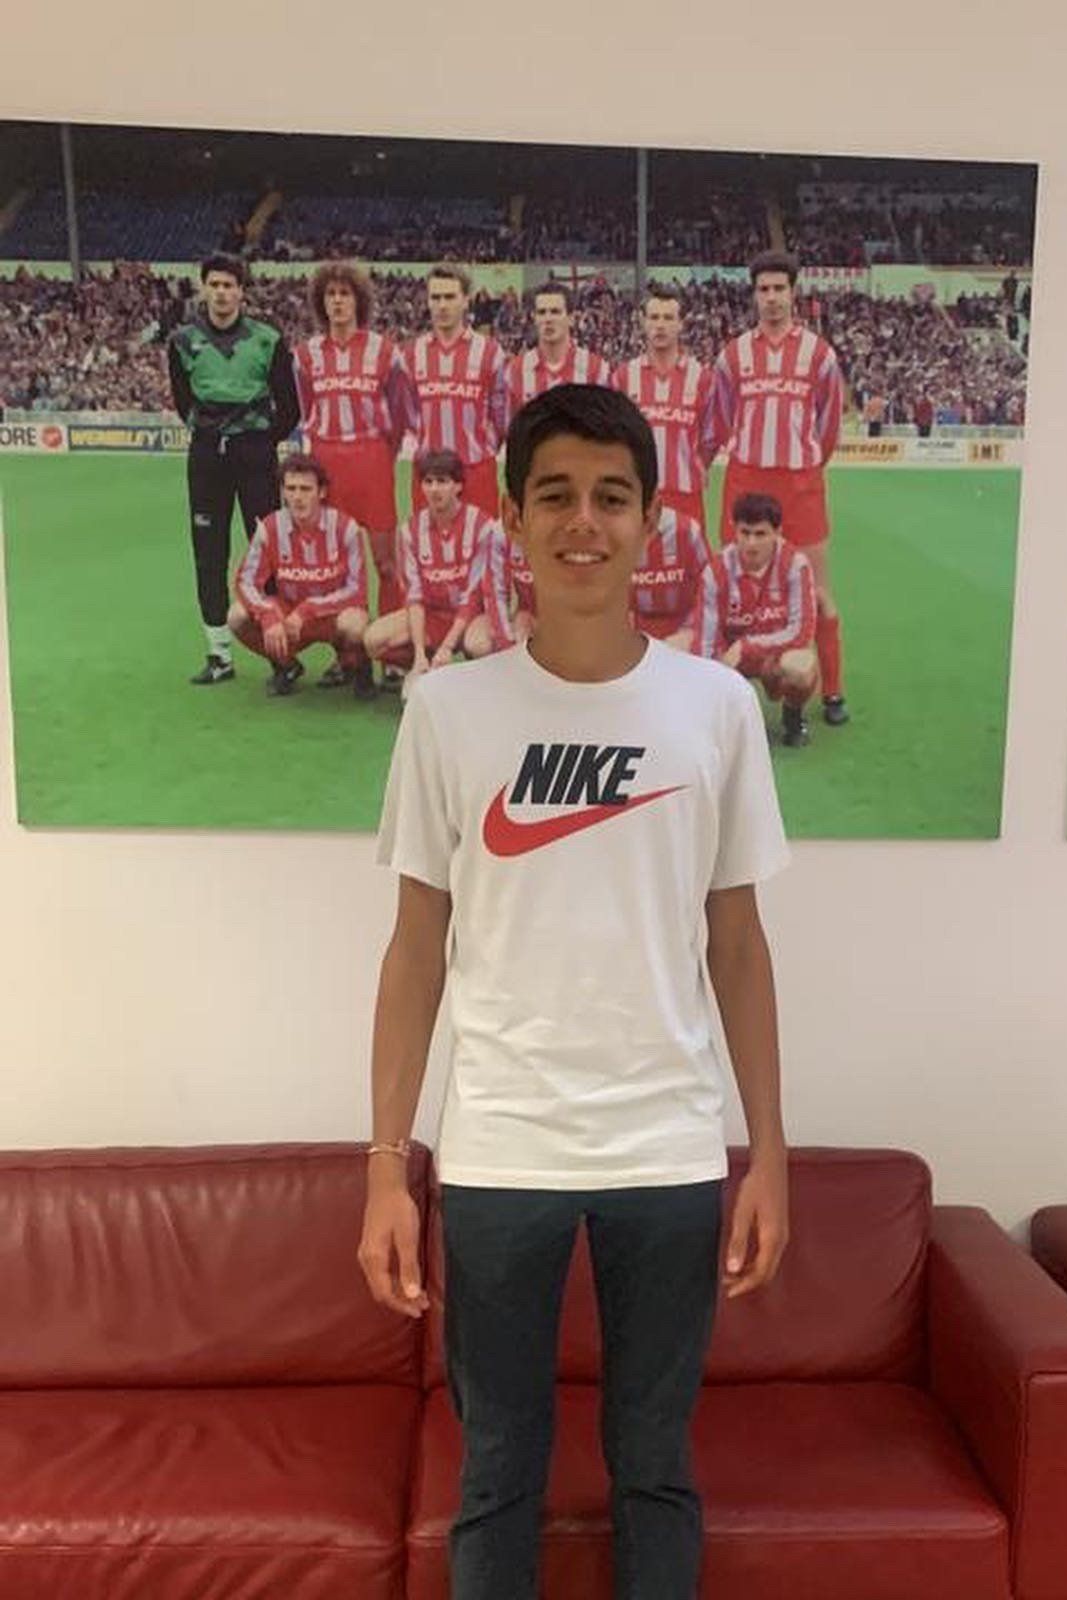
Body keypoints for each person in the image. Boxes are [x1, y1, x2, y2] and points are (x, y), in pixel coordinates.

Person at [359, 384, 790, 1600]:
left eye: (610, 496)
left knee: (653, 1467)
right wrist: (384, 1167)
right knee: (497, 1471)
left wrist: (768, 1151)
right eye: (554, 495)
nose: (582, 522)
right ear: (512, 516)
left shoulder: (717, 707)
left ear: (650, 520)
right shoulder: (447, 709)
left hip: (666, 1147)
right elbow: (413, 950)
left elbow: (738, 945)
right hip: (502, 1149)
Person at [706, 250, 848, 726]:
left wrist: (806, 465)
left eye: (779, 289)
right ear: (754, 295)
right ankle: (728, 694)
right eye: (763, 289)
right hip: (746, 479)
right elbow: (722, 418)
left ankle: (832, 691)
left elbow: (829, 425)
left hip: (800, 484)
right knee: (732, 590)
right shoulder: (733, 355)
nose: (771, 297)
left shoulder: (819, 355)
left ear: (793, 293)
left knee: (819, 593)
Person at [168, 253, 301, 685]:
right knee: (209, 553)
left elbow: (290, 407)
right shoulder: (183, 341)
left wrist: (259, 439)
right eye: (215, 284)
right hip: (207, 456)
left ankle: (280, 657)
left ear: (242, 292)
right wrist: (213, 432)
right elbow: (182, 401)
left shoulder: (267, 339)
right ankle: (219, 655)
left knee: (268, 553)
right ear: (203, 288)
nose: (222, 293)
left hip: (255, 456)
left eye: (229, 285)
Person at [293, 260, 414, 684]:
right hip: (327, 460)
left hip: (372, 459)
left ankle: (393, 654)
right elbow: (307, 409)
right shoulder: (306, 355)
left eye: (345, 294)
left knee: (386, 561)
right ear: (321, 302)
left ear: (358, 301)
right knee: (336, 566)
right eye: (331, 294)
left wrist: (382, 453)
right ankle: (344, 654)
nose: (338, 302)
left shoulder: (384, 351)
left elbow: (399, 412)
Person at [228, 454, 375, 700]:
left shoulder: (345, 528)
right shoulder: (269, 527)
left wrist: (307, 611)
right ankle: (286, 665)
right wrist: (268, 615)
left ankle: (356, 665)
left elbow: (356, 590)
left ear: (322, 492)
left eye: (306, 489)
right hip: (288, 615)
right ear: (283, 492)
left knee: (355, 624)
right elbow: (246, 581)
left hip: (330, 615)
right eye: (291, 488)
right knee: (237, 617)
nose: (297, 497)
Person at [363, 449, 508, 695]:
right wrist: (419, 654)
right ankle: (424, 668)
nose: (434, 489)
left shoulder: (482, 527)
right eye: (428, 482)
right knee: (374, 640)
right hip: (433, 616)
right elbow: (414, 597)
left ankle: (474, 680)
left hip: (471, 618)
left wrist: (448, 647)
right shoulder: (410, 531)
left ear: (458, 486)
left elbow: (473, 598)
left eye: (442, 481)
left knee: (480, 644)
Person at [692, 492, 819, 747]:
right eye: (745, 533)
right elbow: (704, 638)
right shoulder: (716, 570)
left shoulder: (795, 565)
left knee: (802, 667)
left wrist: (747, 646)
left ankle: (793, 714)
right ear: (735, 530)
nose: (751, 543)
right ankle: (721, 716)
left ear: (777, 533)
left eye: (761, 534)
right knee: (684, 653)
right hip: (729, 657)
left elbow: (801, 632)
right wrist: (711, 680)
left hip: (773, 656)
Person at [403, 263, 507, 521]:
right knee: (428, 545)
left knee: (481, 545)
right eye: (436, 297)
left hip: (476, 473)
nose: (442, 305)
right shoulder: (412, 354)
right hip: (428, 476)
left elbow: (501, 415)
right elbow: (407, 412)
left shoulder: (490, 351)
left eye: (450, 297)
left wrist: (481, 448)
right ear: (427, 301)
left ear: (465, 300)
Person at [612, 285, 713, 530]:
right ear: (643, 322)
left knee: (688, 555)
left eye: (668, 318)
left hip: (685, 496)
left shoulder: (701, 378)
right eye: (654, 317)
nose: (660, 325)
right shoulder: (624, 377)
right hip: (639, 495)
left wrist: (695, 466)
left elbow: (711, 436)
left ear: (681, 324)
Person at [503, 281, 611, 426]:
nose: (548, 319)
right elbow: (509, 429)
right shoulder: (516, 370)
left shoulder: (595, 370)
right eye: (542, 312)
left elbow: (604, 427)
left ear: (571, 318)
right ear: (534, 318)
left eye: (555, 312)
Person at [630, 504, 711, 650]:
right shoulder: (614, 533)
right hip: (633, 636)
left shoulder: (688, 531)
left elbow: (710, 594)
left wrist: (690, 631)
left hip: (683, 636)